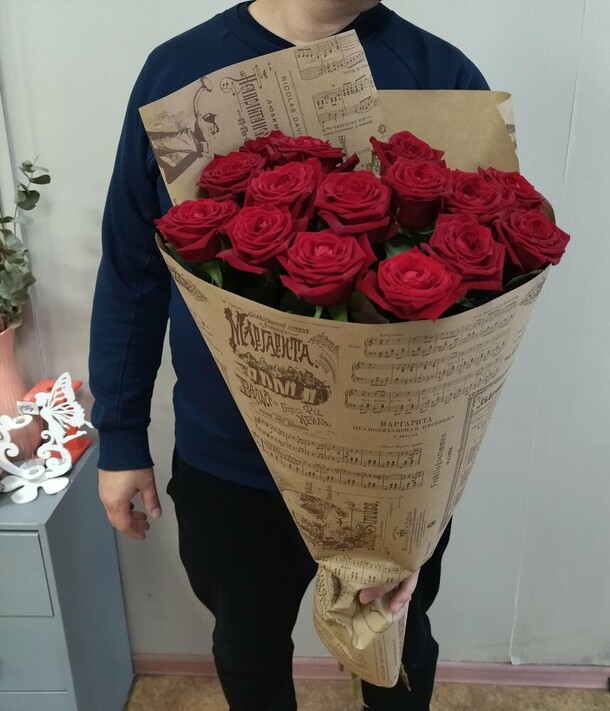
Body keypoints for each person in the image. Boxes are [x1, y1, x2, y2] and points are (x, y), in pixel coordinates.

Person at [90, 2, 488, 709]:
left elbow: (479, 306)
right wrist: (120, 437)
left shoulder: (442, 76)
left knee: (394, 650)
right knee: (248, 652)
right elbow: (133, 270)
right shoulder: (179, 74)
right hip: (228, 460)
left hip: (386, 473)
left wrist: (423, 500)